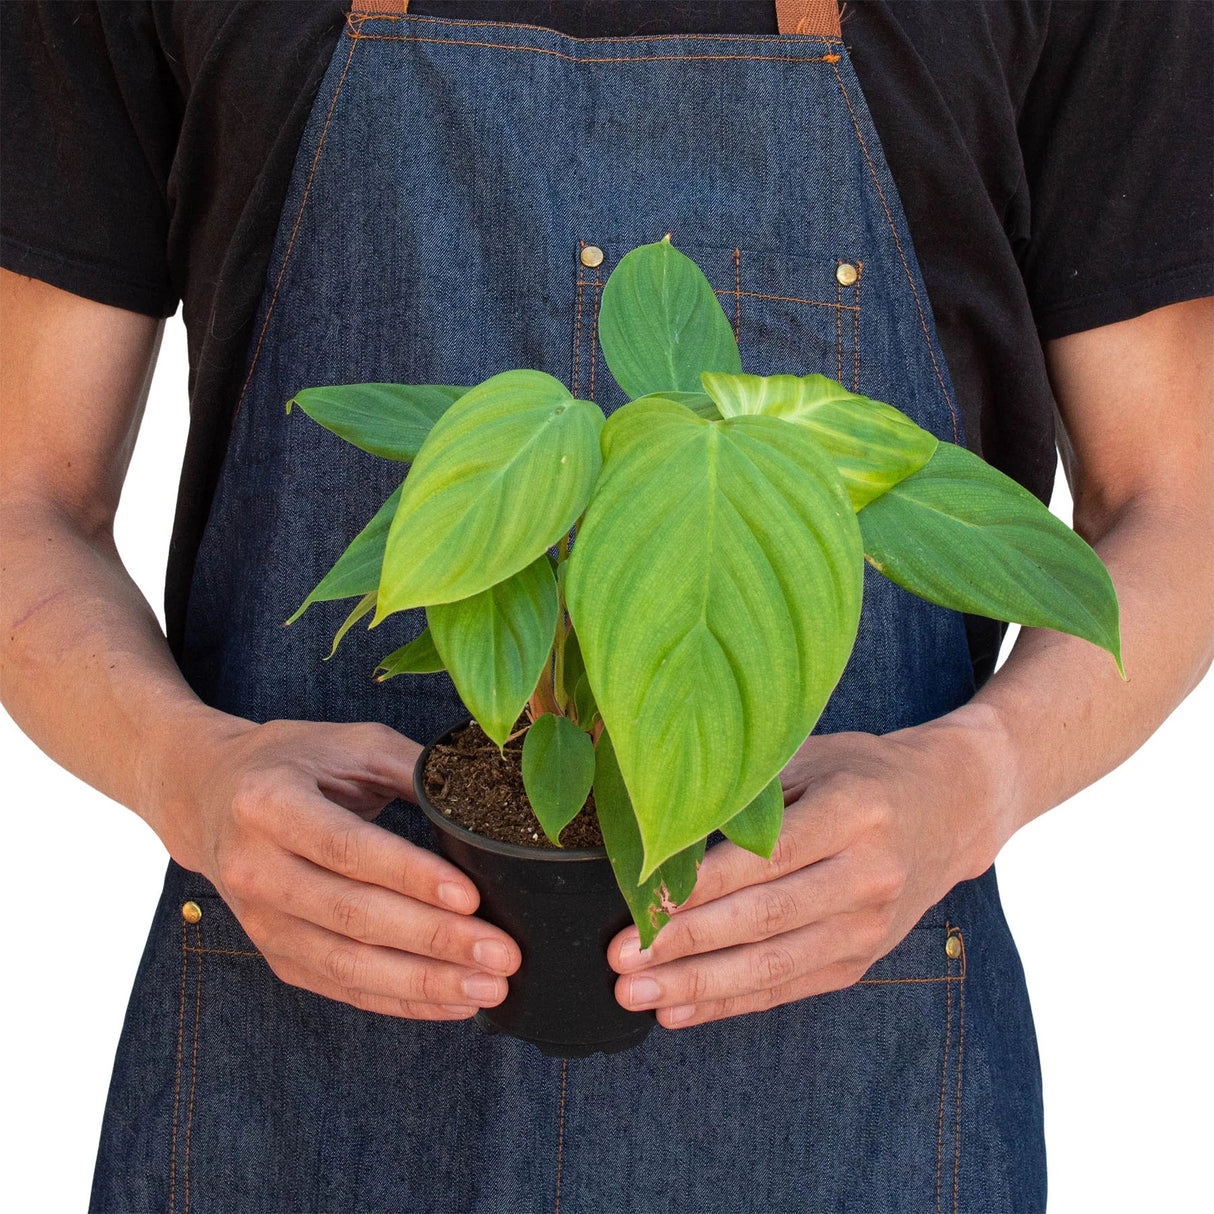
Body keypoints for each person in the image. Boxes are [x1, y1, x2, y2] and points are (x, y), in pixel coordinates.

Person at [2, 1, 1210, 1210]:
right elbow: (25, 497)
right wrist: (183, 773)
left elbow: (1175, 500)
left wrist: (976, 780)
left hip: (853, 1095)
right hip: (296, 1079)